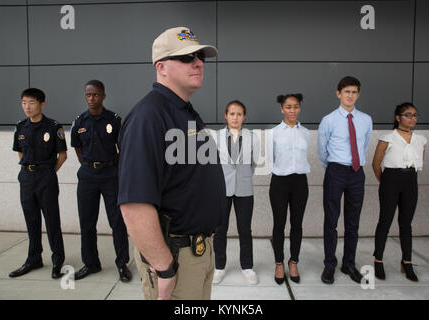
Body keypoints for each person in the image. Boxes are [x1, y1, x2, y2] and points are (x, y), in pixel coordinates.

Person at [117, 27, 226, 300]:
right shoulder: (149, 116)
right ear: (161, 67)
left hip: (198, 252)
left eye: (200, 56)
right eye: (187, 57)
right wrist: (165, 268)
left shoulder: (183, 111)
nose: (199, 62)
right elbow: (134, 206)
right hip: (175, 257)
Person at [70, 80, 131, 282]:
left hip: (110, 176)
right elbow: (78, 149)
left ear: (103, 96)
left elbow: (122, 148)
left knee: (117, 223)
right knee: (87, 222)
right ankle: (91, 264)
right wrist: (90, 164)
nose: (91, 98)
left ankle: (122, 264)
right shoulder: (79, 122)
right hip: (87, 176)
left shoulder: (114, 120)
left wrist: (112, 168)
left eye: (95, 94)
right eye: (88, 95)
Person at [317, 76, 372, 284]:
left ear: (358, 94)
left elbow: (364, 146)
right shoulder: (329, 120)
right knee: (331, 220)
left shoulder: (366, 119)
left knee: (353, 222)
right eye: (347, 91)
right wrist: (333, 167)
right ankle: (329, 264)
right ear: (338, 93)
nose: (350, 96)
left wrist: (354, 165)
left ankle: (349, 263)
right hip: (335, 172)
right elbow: (322, 151)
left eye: (354, 92)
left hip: (357, 173)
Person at [10, 88, 67, 279]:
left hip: (46, 178)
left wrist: (48, 172)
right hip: (26, 178)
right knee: (31, 220)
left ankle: (58, 259)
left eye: (31, 103)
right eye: (24, 102)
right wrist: (29, 170)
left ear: (42, 104)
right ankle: (34, 258)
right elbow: (20, 152)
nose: (27, 106)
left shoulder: (53, 126)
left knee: (52, 221)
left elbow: (62, 155)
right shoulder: (20, 127)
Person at [372, 102, 427, 282]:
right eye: (408, 115)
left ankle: (407, 262)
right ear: (398, 118)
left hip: (411, 180)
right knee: (385, 220)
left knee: (406, 223)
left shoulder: (421, 140)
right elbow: (376, 163)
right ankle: (378, 260)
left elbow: (419, 161)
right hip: (391, 179)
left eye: (415, 115)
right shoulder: (388, 138)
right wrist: (386, 182)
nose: (413, 118)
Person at [213, 100, 260, 285]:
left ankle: (247, 267)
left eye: (239, 114)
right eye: (232, 114)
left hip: (244, 188)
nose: (235, 117)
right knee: (220, 229)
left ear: (244, 117)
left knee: (244, 229)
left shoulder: (252, 137)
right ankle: (219, 266)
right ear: (226, 115)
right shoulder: (216, 137)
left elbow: (253, 163)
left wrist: (244, 176)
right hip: (221, 189)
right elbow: (212, 164)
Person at [268, 94, 310, 285]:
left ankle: (293, 262)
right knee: (279, 224)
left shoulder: (306, 133)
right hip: (280, 182)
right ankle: (279, 263)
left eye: (295, 107)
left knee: (297, 224)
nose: (292, 110)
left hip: (300, 182)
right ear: (282, 109)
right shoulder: (274, 133)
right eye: (288, 107)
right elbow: (270, 160)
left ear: (299, 108)